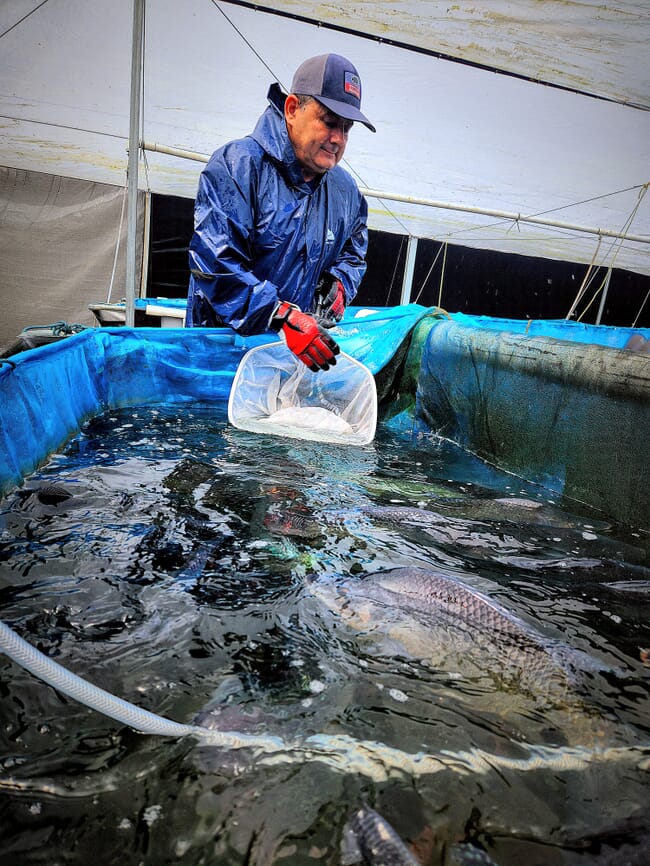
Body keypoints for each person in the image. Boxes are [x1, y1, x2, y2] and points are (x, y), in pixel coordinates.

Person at [186, 53, 375, 372]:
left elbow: (353, 253)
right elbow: (215, 263)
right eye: (329, 122)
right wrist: (282, 315)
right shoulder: (238, 166)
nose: (338, 139)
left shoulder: (345, 192)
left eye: (347, 128)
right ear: (291, 109)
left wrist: (340, 283)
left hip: (293, 363)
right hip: (220, 363)